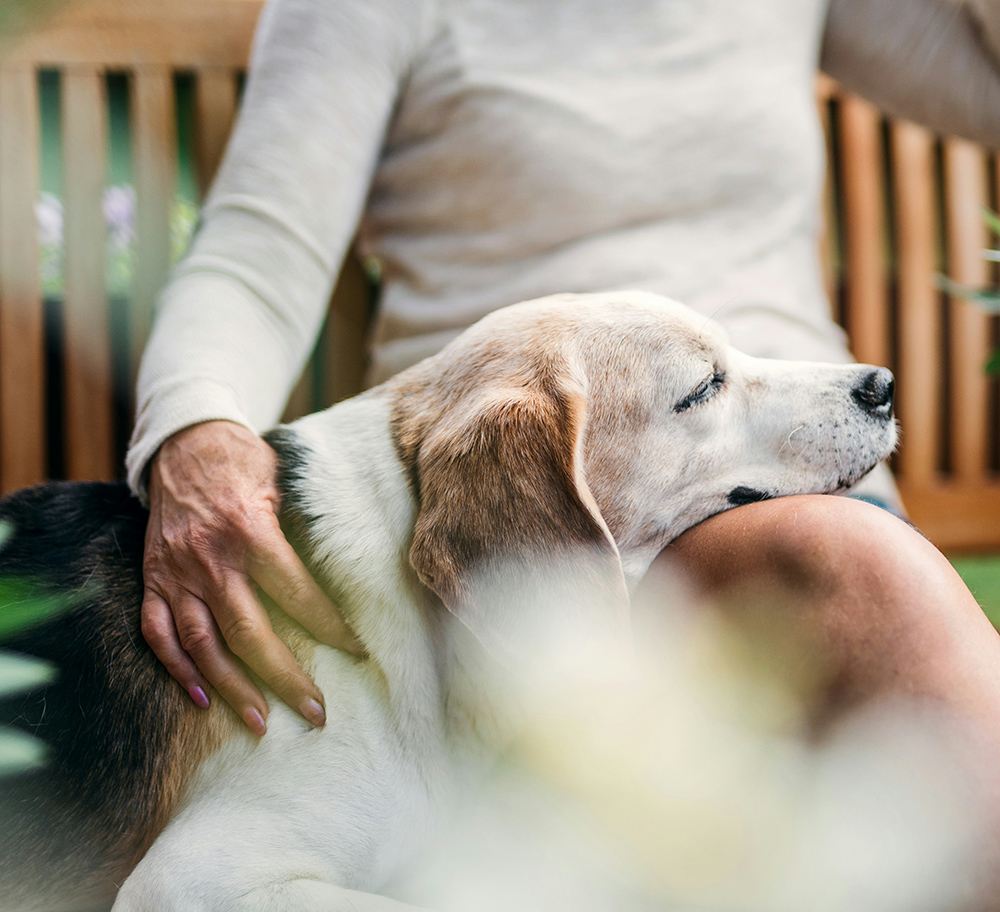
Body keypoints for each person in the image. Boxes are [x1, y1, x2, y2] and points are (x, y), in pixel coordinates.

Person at [129, 0, 1000, 738]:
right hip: (528, 498)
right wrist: (196, 433)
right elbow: (255, 257)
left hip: (800, 444)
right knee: (854, 567)